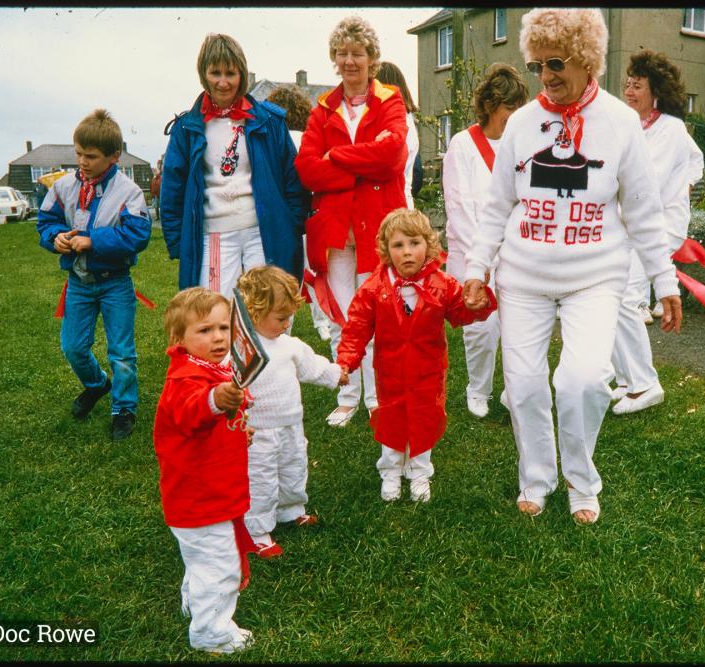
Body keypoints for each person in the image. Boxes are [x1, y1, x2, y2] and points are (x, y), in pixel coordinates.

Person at [462, 8, 682, 524]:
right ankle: (536, 477)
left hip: (595, 278)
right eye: (538, 65)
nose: (547, 76)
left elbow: (645, 214)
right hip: (523, 278)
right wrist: (477, 269)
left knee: (582, 381)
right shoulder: (520, 123)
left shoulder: (622, 123)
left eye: (556, 63)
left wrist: (664, 282)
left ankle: (581, 479)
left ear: (587, 60)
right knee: (523, 384)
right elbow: (495, 206)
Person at [295, 16, 409, 428]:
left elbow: (392, 156)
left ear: (372, 59)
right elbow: (307, 169)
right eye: (341, 54)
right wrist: (364, 161)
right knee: (344, 316)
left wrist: (339, 157)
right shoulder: (322, 109)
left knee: (378, 315)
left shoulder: (390, 100)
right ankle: (348, 394)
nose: (348, 61)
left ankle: (378, 397)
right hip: (335, 231)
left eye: (356, 54)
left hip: (378, 229)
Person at [336, 209, 496, 502]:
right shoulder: (374, 288)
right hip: (390, 371)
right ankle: (391, 469)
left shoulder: (442, 284)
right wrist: (346, 361)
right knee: (392, 418)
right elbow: (356, 327)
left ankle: (420, 469)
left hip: (428, 370)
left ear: (429, 244)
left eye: (414, 243)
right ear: (386, 250)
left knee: (425, 417)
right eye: (398, 246)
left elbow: (460, 312)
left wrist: (477, 305)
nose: (407, 252)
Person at [161, 33, 306, 298]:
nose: (223, 82)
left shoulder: (270, 121)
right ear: (203, 74)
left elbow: (292, 179)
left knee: (269, 308)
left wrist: (291, 224)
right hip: (214, 233)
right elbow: (172, 189)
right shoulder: (187, 128)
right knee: (216, 309)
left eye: (231, 73)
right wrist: (179, 244)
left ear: (242, 73)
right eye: (215, 72)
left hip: (263, 232)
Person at [36, 109, 151, 441]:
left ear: (114, 156)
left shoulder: (129, 192)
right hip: (79, 284)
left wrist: (94, 241)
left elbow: (138, 235)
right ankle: (98, 384)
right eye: (78, 154)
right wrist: (54, 238)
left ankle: (124, 408)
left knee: (122, 351)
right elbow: (47, 222)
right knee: (73, 347)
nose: (82, 162)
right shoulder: (63, 187)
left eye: (91, 156)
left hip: (115, 283)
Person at [153, 287, 256, 654]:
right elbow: (192, 410)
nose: (217, 337)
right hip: (199, 498)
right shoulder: (186, 379)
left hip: (211, 491)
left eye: (223, 329)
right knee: (220, 564)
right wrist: (217, 400)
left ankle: (193, 603)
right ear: (179, 339)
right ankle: (211, 633)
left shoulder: (212, 367)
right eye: (204, 331)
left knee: (202, 560)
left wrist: (239, 422)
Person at [609, 50, 705, 415]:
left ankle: (646, 384)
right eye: (627, 84)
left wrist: (684, 185)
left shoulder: (671, 129)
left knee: (625, 297)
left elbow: (647, 183)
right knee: (616, 296)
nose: (629, 90)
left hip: (659, 226)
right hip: (631, 223)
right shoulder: (633, 125)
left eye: (638, 85)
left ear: (657, 92)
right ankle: (627, 380)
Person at [236, 265, 349, 557]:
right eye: (281, 318)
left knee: (293, 466)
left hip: (290, 423)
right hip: (257, 430)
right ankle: (257, 529)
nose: (287, 323)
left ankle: (290, 508)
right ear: (254, 311)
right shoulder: (241, 349)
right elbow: (227, 381)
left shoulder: (290, 345)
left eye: (289, 317)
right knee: (261, 477)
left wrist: (335, 374)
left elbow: (312, 366)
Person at [442, 63, 528, 418]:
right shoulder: (462, 145)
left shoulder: (522, 147)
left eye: (519, 108)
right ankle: (478, 389)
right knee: (481, 326)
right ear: (491, 105)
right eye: (509, 107)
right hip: (471, 252)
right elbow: (459, 207)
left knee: (518, 326)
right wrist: (483, 258)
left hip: (516, 254)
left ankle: (515, 390)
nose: (514, 115)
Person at [266, 83, 332, 343]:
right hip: (310, 215)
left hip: (284, 218)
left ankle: (282, 330)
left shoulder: (276, 139)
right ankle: (324, 322)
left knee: (284, 277)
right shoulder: (307, 138)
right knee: (314, 275)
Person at [376, 61, 420, 209]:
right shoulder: (409, 120)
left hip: (390, 202)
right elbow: (417, 171)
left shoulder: (394, 122)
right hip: (404, 200)